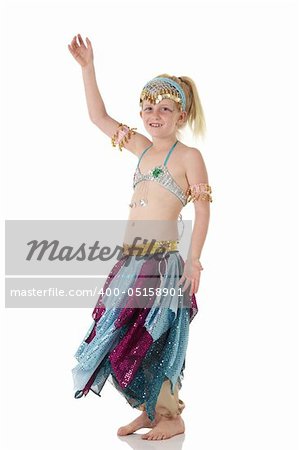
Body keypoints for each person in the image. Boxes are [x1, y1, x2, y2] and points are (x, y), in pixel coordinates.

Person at [68, 33, 212, 441]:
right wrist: (88, 69)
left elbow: (203, 208)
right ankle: (148, 409)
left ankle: (171, 414)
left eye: (164, 109)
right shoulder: (140, 147)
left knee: (159, 331)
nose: (154, 115)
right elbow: (99, 119)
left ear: (181, 116)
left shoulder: (188, 157)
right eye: (148, 108)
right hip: (131, 260)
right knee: (123, 333)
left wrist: (196, 259)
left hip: (163, 263)